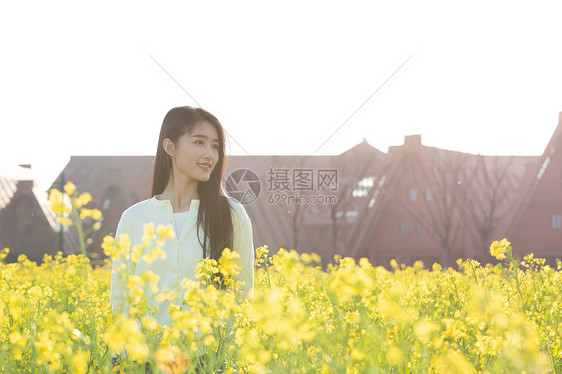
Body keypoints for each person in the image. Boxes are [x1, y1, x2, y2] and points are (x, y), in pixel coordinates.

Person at [109, 106, 254, 372]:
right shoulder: (134, 218)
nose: (209, 154)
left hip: (204, 362)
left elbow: (242, 295)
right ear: (170, 147)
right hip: (141, 361)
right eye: (199, 142)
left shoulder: (232, 215)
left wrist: (219, 358)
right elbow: (120, 299)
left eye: (215, 146)